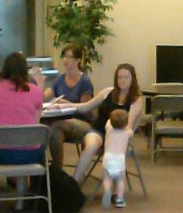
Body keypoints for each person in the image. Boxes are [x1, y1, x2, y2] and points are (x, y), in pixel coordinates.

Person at [54, 63, 145, 193]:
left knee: (109, 151)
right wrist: (66, 105)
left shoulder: (136, 100)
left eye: (126, 77)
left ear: (132, 79)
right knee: (91, 146)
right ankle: (73, 185)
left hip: (115, 136)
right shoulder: (108, 92)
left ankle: (112, 188)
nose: (122, 80)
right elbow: (86, 106)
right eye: (119, 77)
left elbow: (128, 125)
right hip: (97, 130)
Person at [32, 44, 100, 184]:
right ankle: (57, 172)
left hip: (83, 123)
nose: (65, 60)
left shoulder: (84, 82)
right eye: (64, 56)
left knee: (53, 125)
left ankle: (49, 169)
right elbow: (43, 99)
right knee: (55, 132)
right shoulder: (60, 80)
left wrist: (64, 103)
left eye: (69, 57)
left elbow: (85, 109)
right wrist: (39, 84)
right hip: (61, 124)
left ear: (78, 60)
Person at [0, 51, 44, 209]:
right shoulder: (36, 91)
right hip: (29, 155)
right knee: (31, 140)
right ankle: (22, 195)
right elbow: (35, 124)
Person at [100, 108, 132, 209]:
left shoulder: (109, 129)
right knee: (121, 180)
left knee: (107, 179)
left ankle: (107, 191)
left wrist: (111, 119)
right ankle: (120, 199)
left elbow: (108, 122)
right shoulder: (128, 133)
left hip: (107, 157)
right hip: (120, 159)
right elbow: (130, 131)